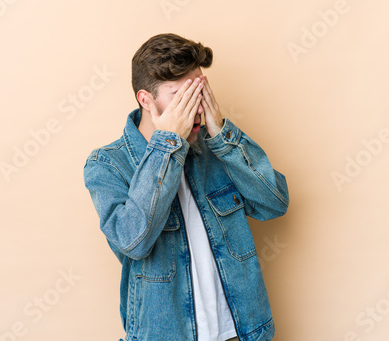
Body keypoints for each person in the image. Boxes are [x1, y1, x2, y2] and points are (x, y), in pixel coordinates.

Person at [83, 33, 289, 341]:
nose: (195, 107)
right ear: (146, 99)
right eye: (181, 96)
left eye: (199, 92)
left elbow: (274, 203)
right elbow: (133, 241)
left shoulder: (216, 148)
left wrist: (222, 134)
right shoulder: (107, 164)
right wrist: (168, 146)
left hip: (242, 333)